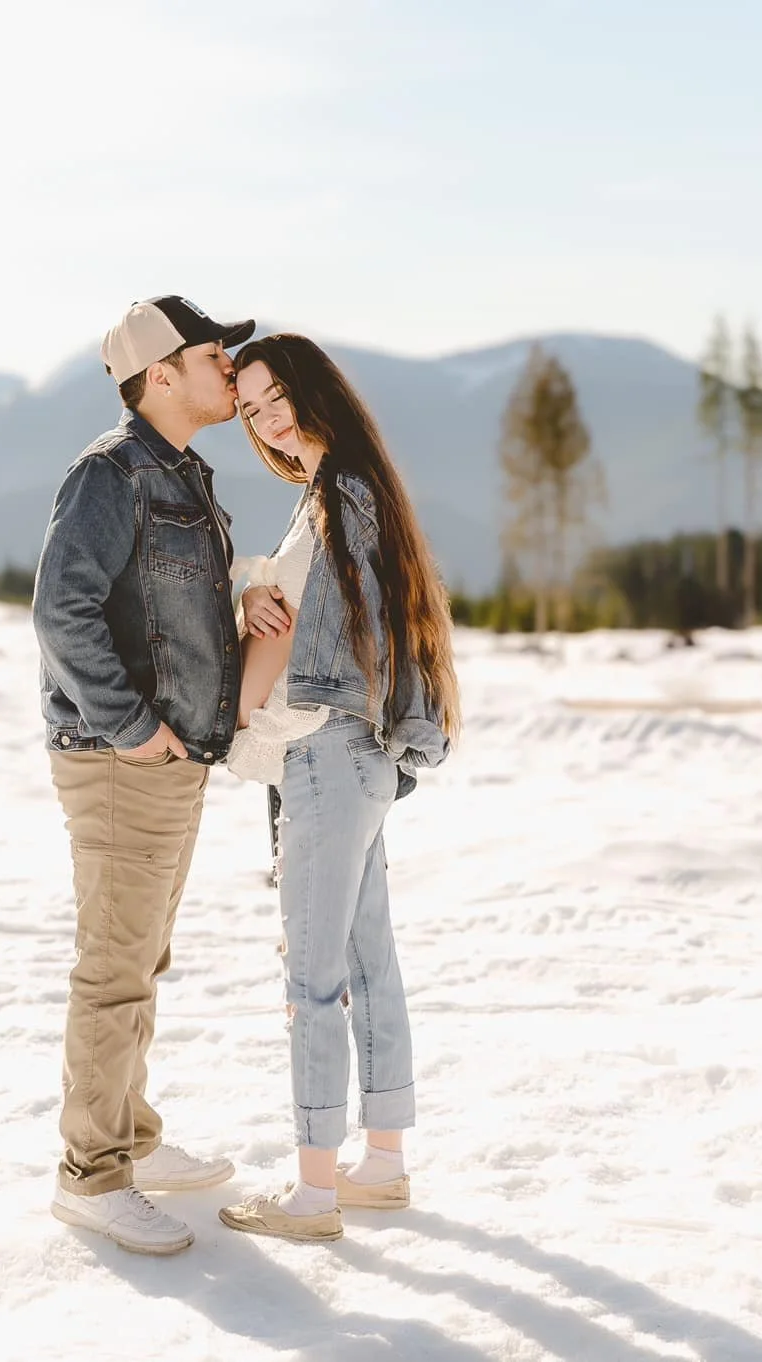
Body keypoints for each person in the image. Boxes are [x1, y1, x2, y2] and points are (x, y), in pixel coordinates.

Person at [215, 333, 461, 1244]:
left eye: (276, 395)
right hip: (360, 755)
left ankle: (315, 1192)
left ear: (312, 389)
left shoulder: (333, 502)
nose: (267, 417)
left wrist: (239, 693)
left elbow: (299, 646)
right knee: (367, 958)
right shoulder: (355, 493)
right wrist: (256, 596)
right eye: (250, 408)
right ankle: (382, 1163)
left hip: (322, 753)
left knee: (312, 976)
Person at [32, 295, 255, 1256]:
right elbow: (61, 612)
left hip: (167, 761)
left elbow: (170, 622)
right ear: (160, 376)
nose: (231, 373)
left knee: (141, 961)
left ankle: (129, 1135)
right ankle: (91, 1177)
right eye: (214, 357)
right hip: (122, 762)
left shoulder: (183, 472)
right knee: (115, 970)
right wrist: (131, 729)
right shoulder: (109, 474)